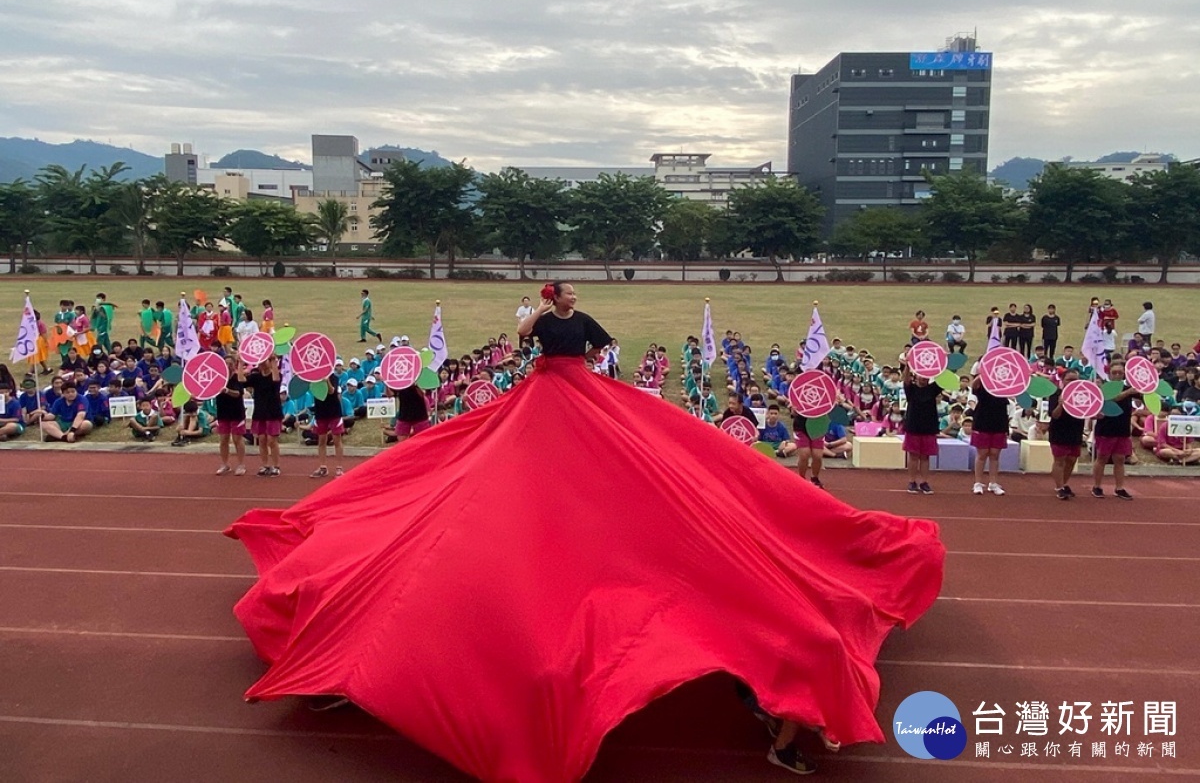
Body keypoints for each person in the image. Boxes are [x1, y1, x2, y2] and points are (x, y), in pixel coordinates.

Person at [225, 280, 945, 783]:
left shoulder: (586, 323)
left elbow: (600, 350)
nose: (566, 300)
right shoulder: (539, 323)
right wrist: (534, 320)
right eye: (560, 295)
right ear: (551, 299)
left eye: (567, 296)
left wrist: (585, 352)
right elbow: (525, 344)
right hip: (544, 397)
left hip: (585, 395)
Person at [1091, 359, 1136, 500]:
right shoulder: (1105, 388)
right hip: (1105, 429)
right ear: (1109, 374)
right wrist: (1129, 392)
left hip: (1122, 429)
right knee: (1102, 457)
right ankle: (1097, 486)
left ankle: (1119, 488)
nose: (1117, 375)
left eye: (1120, 373)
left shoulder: (1129, 388)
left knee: (1120, 459)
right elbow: (1112, 399)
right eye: (1114, 372)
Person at [901, 358, 941, 494]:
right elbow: (905, 379)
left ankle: (924, 482)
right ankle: (912, 481)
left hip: (929, 427)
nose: (923, 378)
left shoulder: (933, 389)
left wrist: (943, 361)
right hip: (913, 426)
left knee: (925, 456)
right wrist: (907, 365)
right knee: (913, 456)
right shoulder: (910, 389)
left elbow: (945, 377)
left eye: (926, 376)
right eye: (920, 375)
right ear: (916, 375)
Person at [1046, 369, 1085, 499]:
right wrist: (1061, 404)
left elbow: (1089, 411)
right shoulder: (1055, 394)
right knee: (1059, 460)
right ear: (1062, 381)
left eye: (1076, 380)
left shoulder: (1083, 394)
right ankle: (1059, 487)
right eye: (1070, 380)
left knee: (1072, 459)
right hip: (1059, 430)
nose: (1073, 383)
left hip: (1076, 430)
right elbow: (1054, 415)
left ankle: (1064, 483)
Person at [970, 374, 1009, 495]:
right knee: (982, 454)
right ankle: (978, 483)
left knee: (995, 455)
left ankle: (993, 483)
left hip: (999, 423)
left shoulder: (1004, 388)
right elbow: (974, 385)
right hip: (982, 422)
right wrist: (983, 373)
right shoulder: (982, 386)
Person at [246, 355, 283, 476]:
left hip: (273, 412)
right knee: (261, 439)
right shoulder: (255, 377)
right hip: (260, 412)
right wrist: (241, 363)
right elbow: (241, 381)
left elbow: (276, 380)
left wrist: (273, 361)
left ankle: (276, 465)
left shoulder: (276, 375)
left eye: (264, 360)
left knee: (272, 440)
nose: (262, 363)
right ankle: (265, 465)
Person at [309, 373, 346, 478]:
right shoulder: (313, 377)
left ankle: (339, 468)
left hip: (334, 412)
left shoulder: (334, 377)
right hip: (321, 412)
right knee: (321, 440)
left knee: (336, 440)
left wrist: (326, 380)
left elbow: (331, 391)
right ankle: (323, 467)